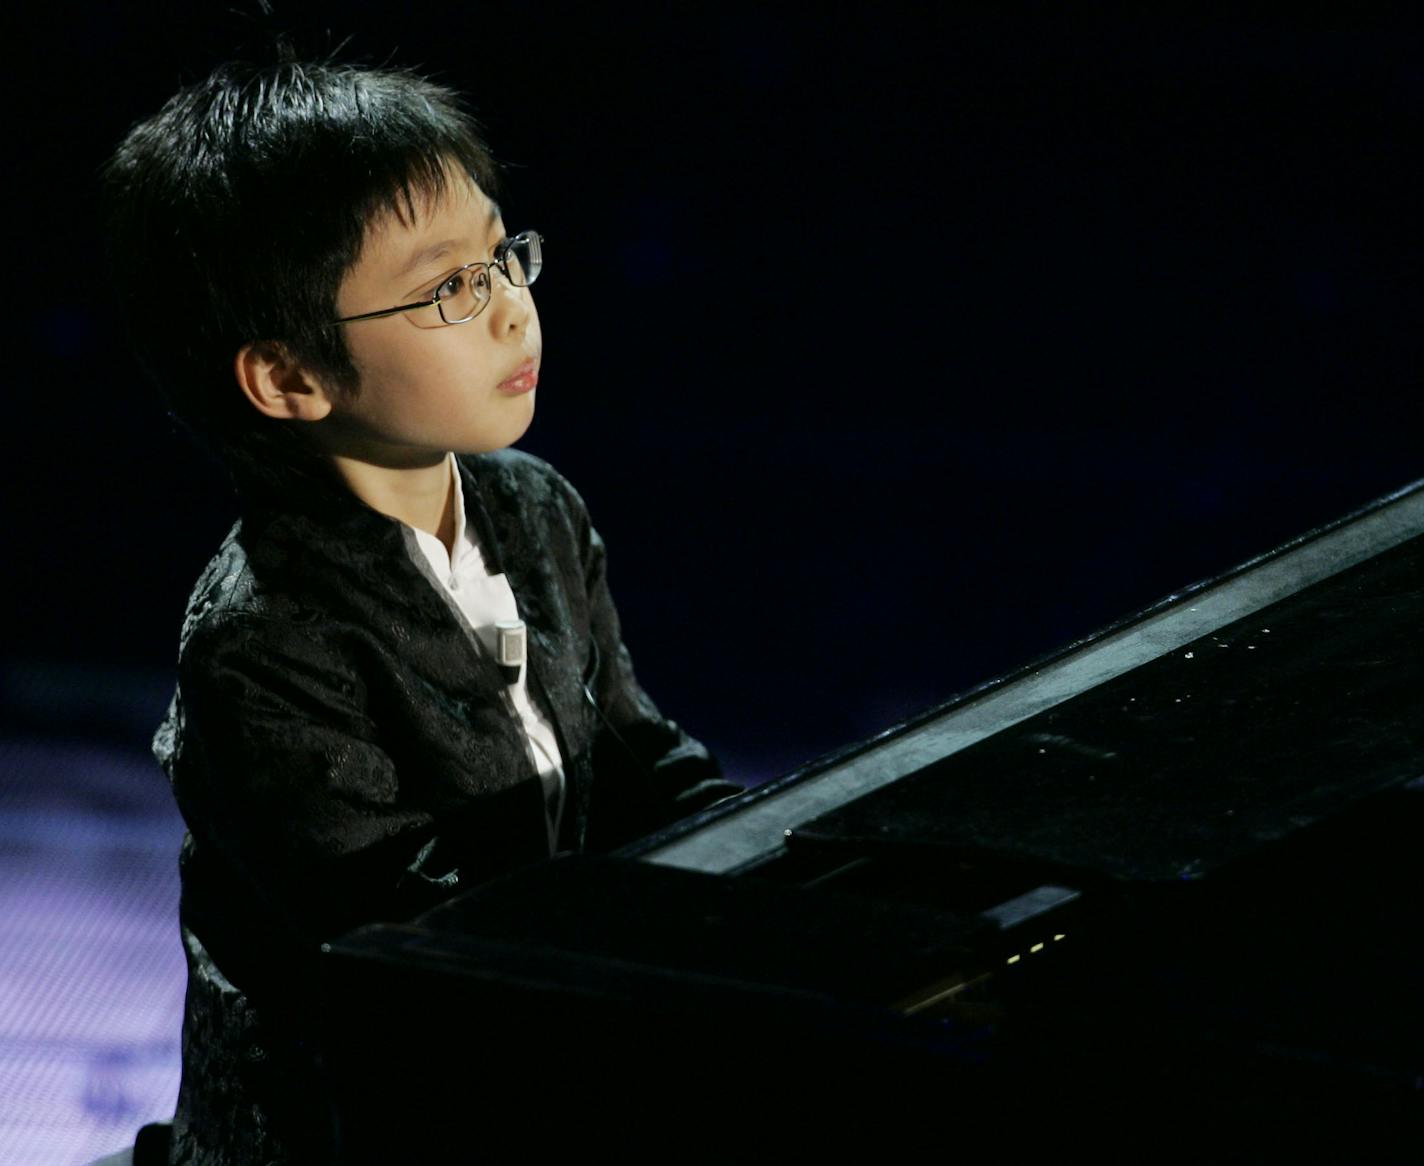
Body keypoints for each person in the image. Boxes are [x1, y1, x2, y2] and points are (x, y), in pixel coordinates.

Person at [104, 54, 737, 1163]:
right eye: (450, 287)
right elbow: (403, 939)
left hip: (543, 1042)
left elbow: (635, 753)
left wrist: (762, 876)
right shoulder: (264, 639)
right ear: (290, 376)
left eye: (503, 256)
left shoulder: (534, 508)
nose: (510, 312)